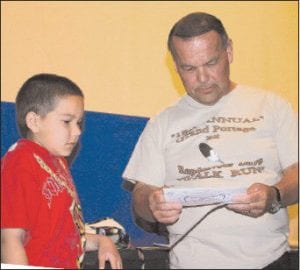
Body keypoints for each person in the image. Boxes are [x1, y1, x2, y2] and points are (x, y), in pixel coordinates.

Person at [122, 12, 298, 269]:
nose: (202, 78)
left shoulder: (272, 107)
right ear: (175, 65)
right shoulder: (162, 122)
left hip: (268, 262)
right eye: (189, 68)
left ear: (229, 51)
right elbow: (140, 195)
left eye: (211, 62)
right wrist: (152, 203)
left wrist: (274, 194)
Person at [1, 73, 122, 269]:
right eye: (67, 121)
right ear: (34, 122)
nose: (77, 131)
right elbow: (10, 239)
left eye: (78, 123)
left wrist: (102, 241)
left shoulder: (57, 163)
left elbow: (62, 238)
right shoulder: (20, 161)